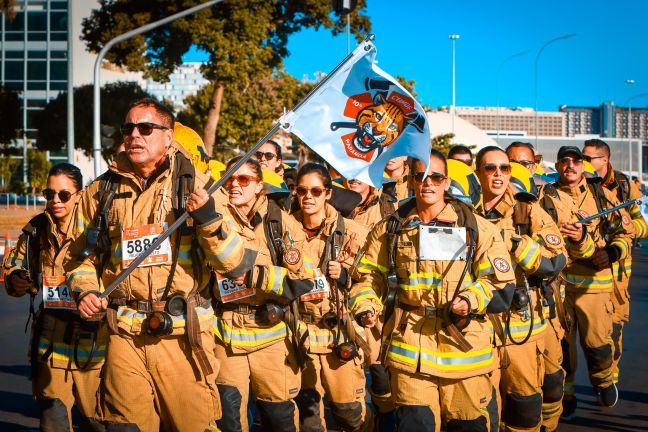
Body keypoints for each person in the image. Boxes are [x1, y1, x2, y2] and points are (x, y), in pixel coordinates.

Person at [66, 98, 252, 431]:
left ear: (168, 137)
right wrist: (85, 291)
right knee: (124, 426)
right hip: (123, 333)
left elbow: (234, 263)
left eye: (146, 128)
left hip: (182, 335)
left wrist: (208, 218)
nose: (134, 135)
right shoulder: (100, 191)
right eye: (129, 128)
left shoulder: (199, 186)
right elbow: (79, 257)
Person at [350, 149, 516, 432]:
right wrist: (366, 305)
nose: (428, 183)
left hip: (463, 348)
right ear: (412, 180)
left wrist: (470, 299)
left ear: (446, 182)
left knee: (469, 426)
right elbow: (367, 277)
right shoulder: (391, 228)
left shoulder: (475, 227)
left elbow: (499, 281)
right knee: (415, 425)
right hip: (410, 348)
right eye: (420, 176)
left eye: (435, 177)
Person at [2, 163, 106, 431]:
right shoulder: (36, 230)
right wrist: (16, 279)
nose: (55, 201)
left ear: (79, 195)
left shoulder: (97, 230)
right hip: (49, 342)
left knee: (98, 419)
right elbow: (14, 265)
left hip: (93, 344)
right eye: (50, 195)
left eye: (64, 195)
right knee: (53, 417)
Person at [213, 156, 313, 432]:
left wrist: (257, 276)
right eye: (228, 177)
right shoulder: (212, 220)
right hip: (225, 335)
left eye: (243, 179)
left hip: (270, 336)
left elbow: (303, 280)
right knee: (228, 418)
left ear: (259, 185)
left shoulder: (279, 223)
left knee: (277, 417)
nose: (234, 184)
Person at [474, 147, 567, 432]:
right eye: (491, 168)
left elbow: (556, 259)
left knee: (524, 408)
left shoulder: (526, 210)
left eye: (504, 168)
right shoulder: (460, 212)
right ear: (478, 173)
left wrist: (515, 243)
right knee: (481, 409)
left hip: (521, 328)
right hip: (477, 328)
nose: (498, 174)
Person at [505, 141, 589, 431]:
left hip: (548, 304)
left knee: (553, 378)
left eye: (524, 164)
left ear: (536, 164)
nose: (516, 169)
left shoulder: (552, 199)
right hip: (505, 312)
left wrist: (579, 238)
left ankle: (550, 422)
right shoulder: (489, 201)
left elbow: (569, 252)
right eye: (510, 162)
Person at [553, 146, 634, 418]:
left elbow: (626, 233)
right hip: (560, 287)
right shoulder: (545, 198)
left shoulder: (603, 196)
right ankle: (567, 394)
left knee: (597, 344)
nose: (571, 166)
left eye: (576, 161)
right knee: (562, 346)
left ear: (584, 166)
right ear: (557, 166)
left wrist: (611, 252)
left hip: (595, 287)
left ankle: (603, 381)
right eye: (565, 161)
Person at [291, 163, 372, 432]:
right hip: (299, 332)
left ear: (328, 193)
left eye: (316, 190)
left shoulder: (353, 232)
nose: (308, 197)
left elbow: (372, 279)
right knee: (309, 416)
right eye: (301, 191)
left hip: (339, 332)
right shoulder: (283, 230)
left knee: (348, 414)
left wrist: (346, 275)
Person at [582, 138, 647, 386]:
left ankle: (610, 380)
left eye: (588, 159)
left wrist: (627, 225)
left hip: (617, 272)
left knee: (613, 329)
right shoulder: (577, 183)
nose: (582, 163)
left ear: (604, 160)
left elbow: (644, 224)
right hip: (582, 270)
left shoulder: (625, 186)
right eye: (581, 157)